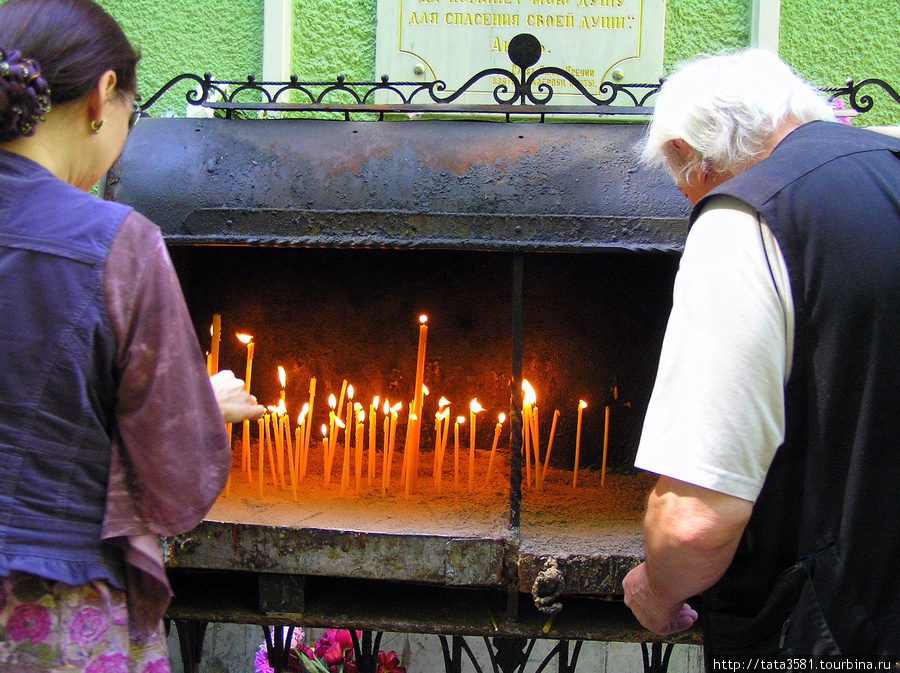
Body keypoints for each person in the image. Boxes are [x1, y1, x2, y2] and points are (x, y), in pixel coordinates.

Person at [0, 0, 264, 670]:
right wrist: (201, 405)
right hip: (49, 609)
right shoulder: (116, 243)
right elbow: (173, 485)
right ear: (102, 96)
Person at [622, 49, 900, 663]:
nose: (691, 204)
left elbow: (697, 516)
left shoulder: (745, 221)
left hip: (825, 628)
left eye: (684, 188)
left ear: (682, 151)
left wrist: (659, 590)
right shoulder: (888, 171)